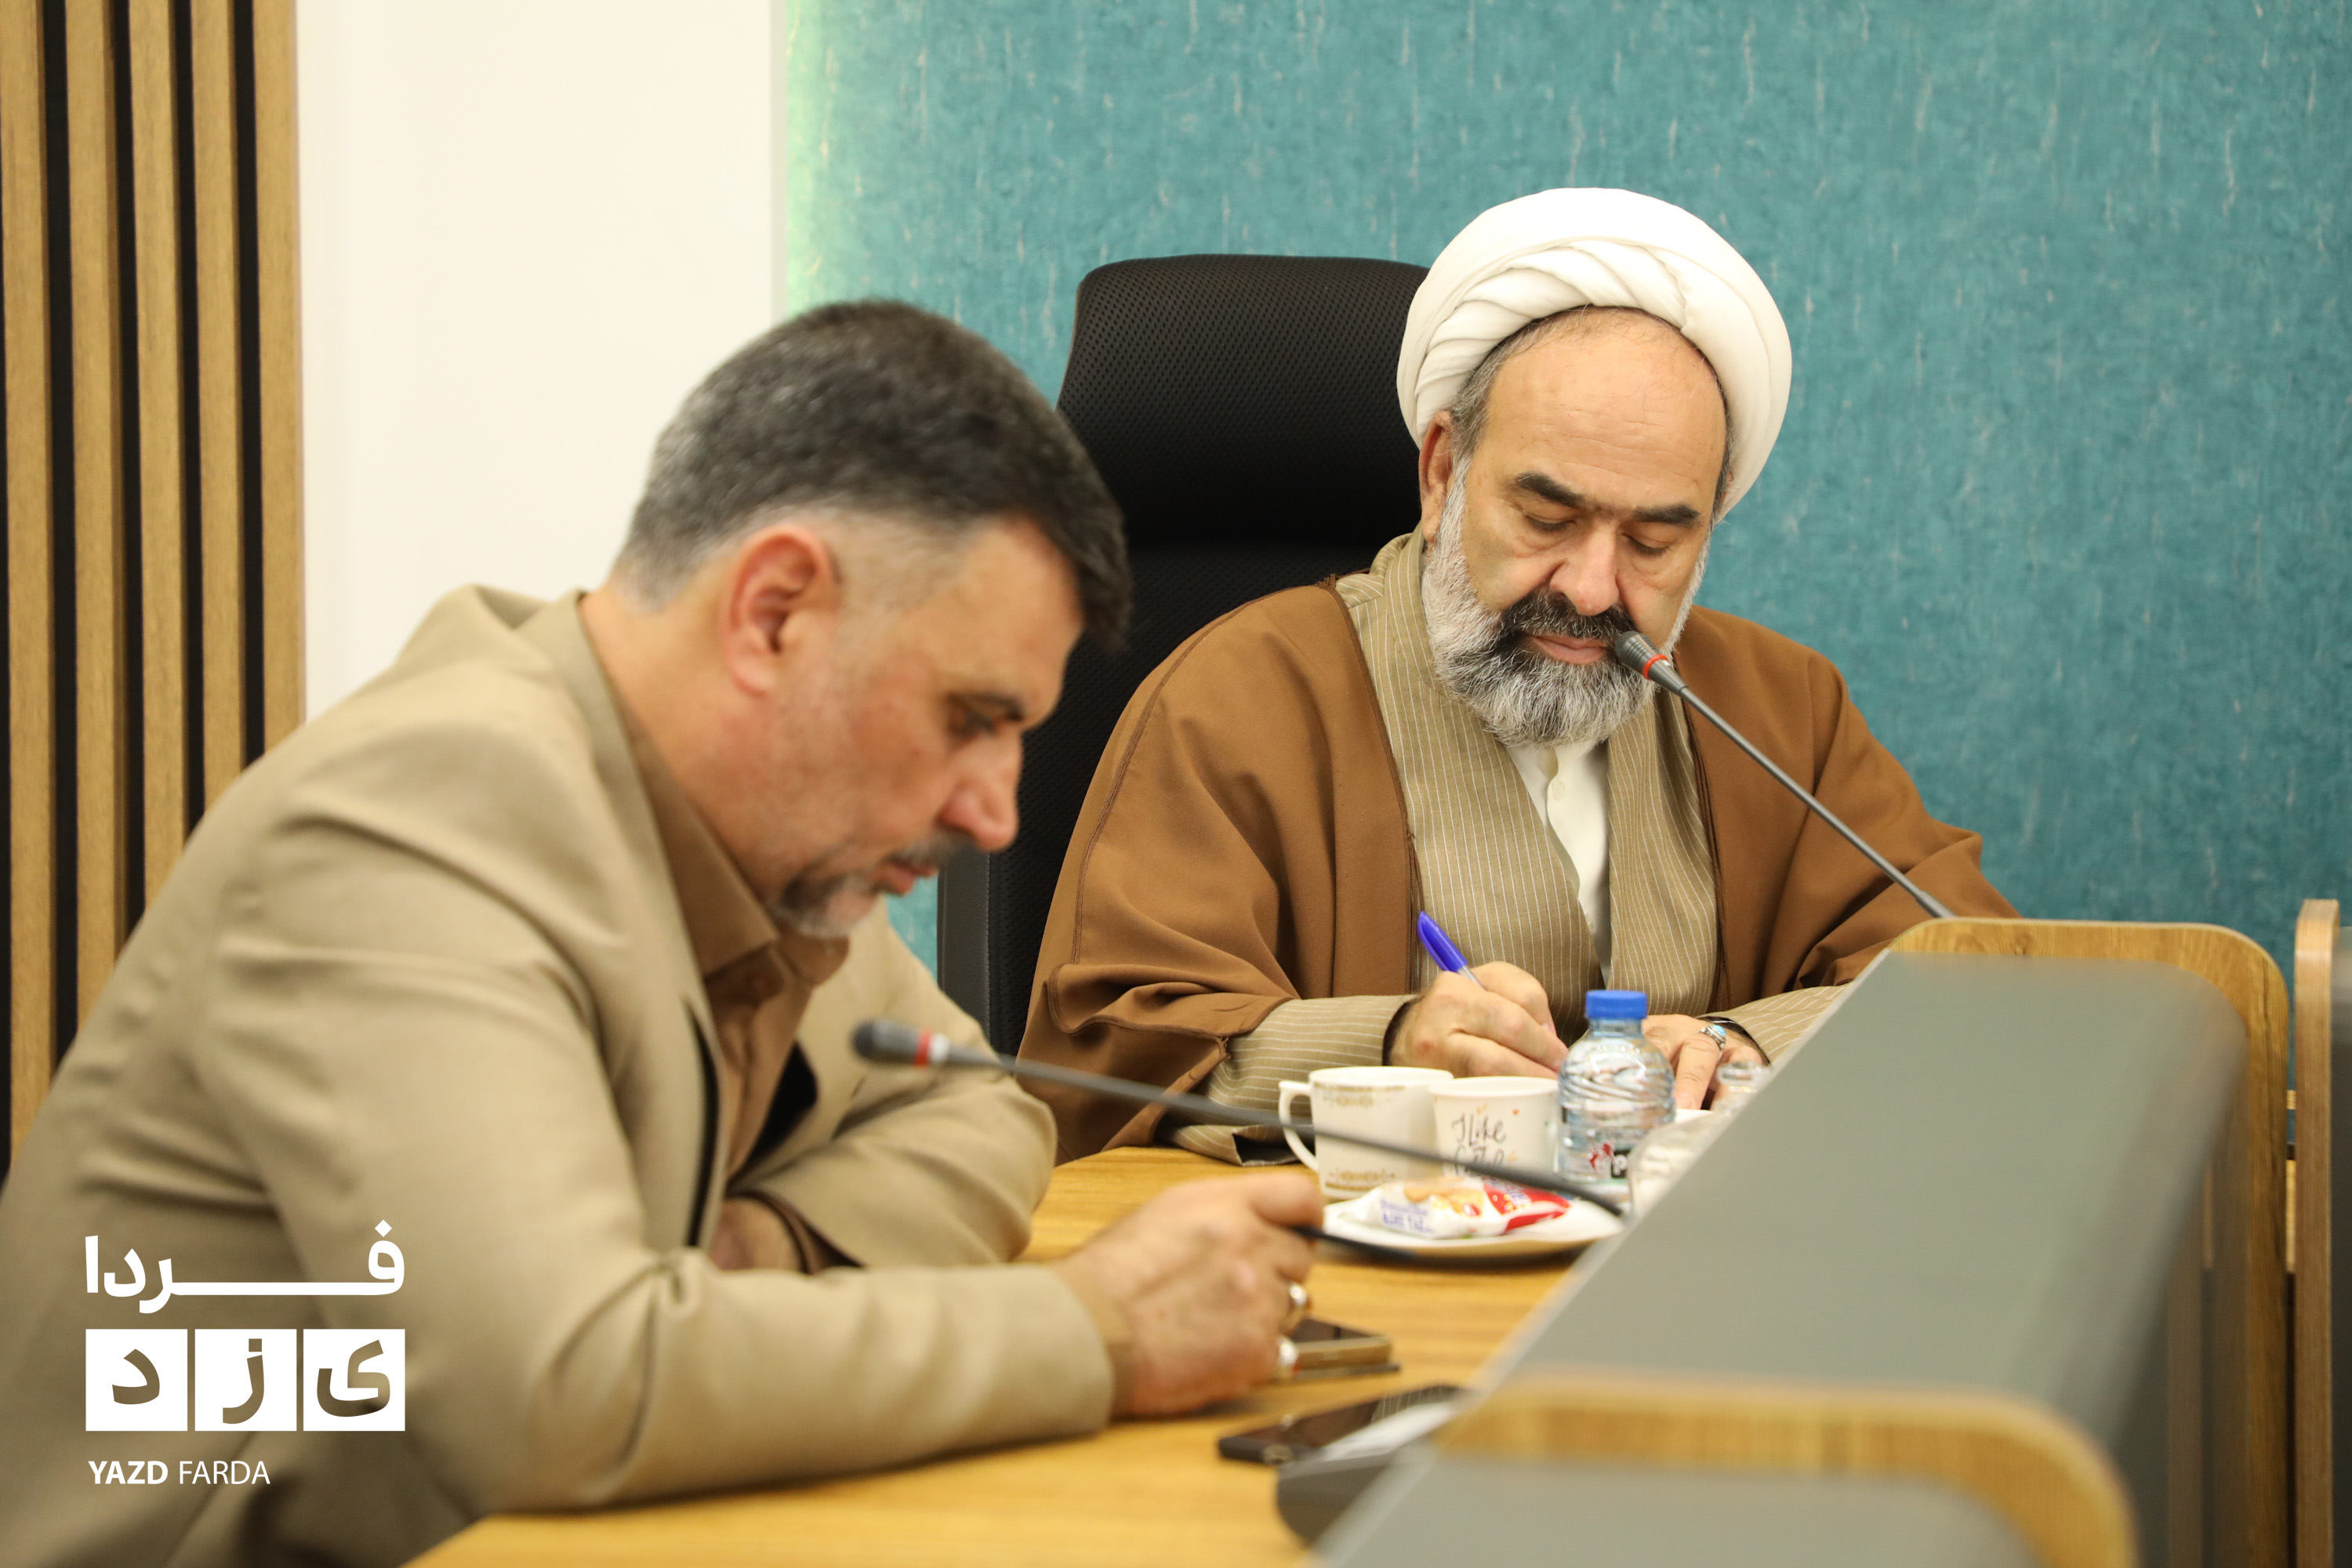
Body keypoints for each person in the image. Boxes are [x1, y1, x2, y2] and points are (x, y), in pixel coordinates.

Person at [0, 302, 1319, 1568]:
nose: (995, 812)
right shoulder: (419, 819)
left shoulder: (740, 835)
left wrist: (761, 1254)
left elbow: (983, 1111)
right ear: (774, 611)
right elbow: (560, 1393)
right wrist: (1095, 1330)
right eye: (968, 719)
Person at [1018, 189, 2016, 1161]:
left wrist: (1747, 1045)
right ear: (1442, 471)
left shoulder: (1779, 707)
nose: (1591, 588)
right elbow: (1113, 1047)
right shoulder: (1240, 695)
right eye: (1547, 519)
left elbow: (1978, 976)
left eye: (1655, 542)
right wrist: (1387, 1046)